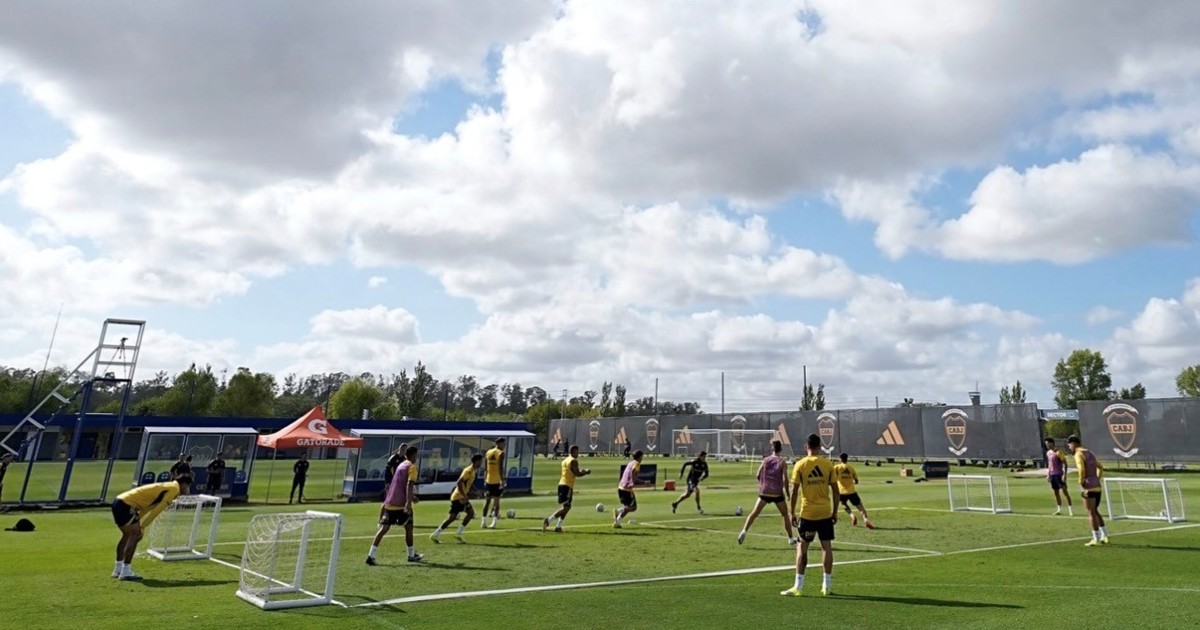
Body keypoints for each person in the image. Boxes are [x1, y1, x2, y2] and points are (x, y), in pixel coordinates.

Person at [781, 433, 839, 597]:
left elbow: (794, 492)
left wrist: (792, 512)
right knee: (826, 547)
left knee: (802, 547)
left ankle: (798, 586)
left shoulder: (800, 465)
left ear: (806, 446)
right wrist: (835, 511)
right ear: (820, 447)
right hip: (825, 512)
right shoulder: (827, 464)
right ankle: (826, 586)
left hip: (808, 513)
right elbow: (836, 491)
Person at [111, 468, 192, 580]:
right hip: (126, 505)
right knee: (134, 535)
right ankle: (125, 571)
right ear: (184, 484)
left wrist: (140, 520)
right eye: (188, 486)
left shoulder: (169, 486)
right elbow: (157, 510)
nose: (188, 490)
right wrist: (143, 526)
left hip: (119, 501)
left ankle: (118, 569)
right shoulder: (174, 489)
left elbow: (148, 507)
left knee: (127, 535)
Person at [367, 445, 424, 564]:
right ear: (413, 455)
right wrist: (408, 502)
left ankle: (371, 555)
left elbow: (398, 484)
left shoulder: (401, 466)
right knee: (409, 528)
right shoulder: (412, 467)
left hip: (390, 502)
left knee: (384, 528)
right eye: (416, 455)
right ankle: (411, 555)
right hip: (401, 504)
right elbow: (409, 484)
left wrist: (411, 496)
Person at [738, 440, 796, 545]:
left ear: (772, 449)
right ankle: (791, 538)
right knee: (785, 514)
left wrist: (763, 484)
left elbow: (758, 475)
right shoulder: (782, 462)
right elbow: (785, 479)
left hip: (764, 492)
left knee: (754, 513)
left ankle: (744, 531)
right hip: (777, 493)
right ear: (781, 449)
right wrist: (787, 493)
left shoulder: (765, 460)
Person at [431, 453, 483, 544]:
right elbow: (459, 482)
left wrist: (476, 491)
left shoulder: (473, 471)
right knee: (467, 514)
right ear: (476, 461)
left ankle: (437, 534)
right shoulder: (468, 470)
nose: (481, 463)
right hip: (459, 497)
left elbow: (469, 483)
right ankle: (456, 532)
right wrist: (464, 495)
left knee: (455, 517)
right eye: (480, 461)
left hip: (459, 497)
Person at [1067, 435, 1108, 546]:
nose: (1069, 447)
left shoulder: (1078, 454)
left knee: (1091, 512)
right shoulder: (1090, 452)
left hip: (1088, 486)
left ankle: (1095, 538)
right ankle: (1105, 535)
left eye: (1069, 445)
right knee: (1095, 511)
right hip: (1097, 485)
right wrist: (1097, 478)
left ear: (1074, 444)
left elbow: (1081, 469)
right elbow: (1100, 467)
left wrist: (1081, 482)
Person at [544, 445, 591, 532]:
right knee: (566, 508)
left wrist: (582, 471)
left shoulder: (565, 460)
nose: (578, 453)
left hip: (561, 484)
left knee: (566, 507)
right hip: (567, 486)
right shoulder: (573, 461)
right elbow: (577, 474)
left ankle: (558, 527)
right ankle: (549, 520)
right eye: (577, 451)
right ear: (573, 452)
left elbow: (572, 471)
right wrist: (586, 472)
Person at [834, 453, 874, 528]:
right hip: (852, 491)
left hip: (841, 492)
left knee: (844, 504)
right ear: (847, 459)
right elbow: (856, 481)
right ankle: (865, 519)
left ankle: (852, 515)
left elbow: (832, 477)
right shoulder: (851, 468)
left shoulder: (836, 467)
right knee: (860, 507)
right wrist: (852, 481)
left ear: (840, 459)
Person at [481, 438, 507, 529]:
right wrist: (502, 480)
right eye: (503, 443)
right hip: (497, 481)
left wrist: (485, 479)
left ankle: (483, 521)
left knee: (487, 501)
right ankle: (494, 522)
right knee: (496, 502)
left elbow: (486, 468)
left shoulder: (488, 452)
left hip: (488, 480)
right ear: (498, 444)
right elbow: (500, 467)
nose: (504, 445)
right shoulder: (501, 453)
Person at [613, 450, 643, 528]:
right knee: (633, 508)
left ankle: (617, 522)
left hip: (620, 488)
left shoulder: (630, 463)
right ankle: (618, 511)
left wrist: (642, 482)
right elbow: (633, 472)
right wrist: (632, 482)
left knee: (628, 508)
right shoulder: (637, 463)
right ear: (640, 457)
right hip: (627, 489)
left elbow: (633, 475)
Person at [1044, 438, 1074, 516]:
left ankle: (1070, 510)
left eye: (1048, 443)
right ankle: (1059, 510)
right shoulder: (1048, 453)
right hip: (1052, 475)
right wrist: (1048, 474)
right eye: (1046, 444)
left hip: (1059, 475)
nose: (1047, 445)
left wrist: (1065, 475)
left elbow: (1065, 464)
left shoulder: (1058, 452)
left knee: (1065, 492)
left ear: (1052, 443)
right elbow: (1049, 465)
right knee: (1056, 492)